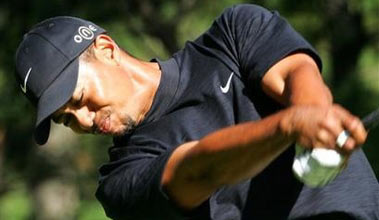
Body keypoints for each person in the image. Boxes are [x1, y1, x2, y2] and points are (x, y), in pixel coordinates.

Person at [15, 4, 379, 220]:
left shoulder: (232, 35)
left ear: (107, 49)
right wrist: (291, 126)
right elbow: (199, 169)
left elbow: (294, 74)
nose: (82, 120)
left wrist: (315, 115)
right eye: (66, 119)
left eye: (78, 98)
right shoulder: (119, 181)